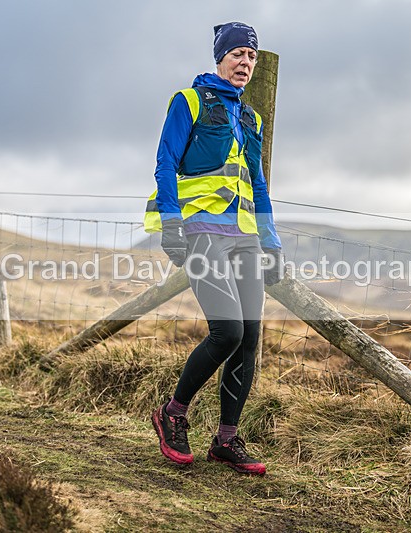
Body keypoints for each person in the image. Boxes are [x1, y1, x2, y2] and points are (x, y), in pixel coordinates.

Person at [144, 22, 283, 475]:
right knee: (227, 331)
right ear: (220, 57)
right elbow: (166, 162)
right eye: (238, 53)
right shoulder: (188, 101)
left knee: (249, 338)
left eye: (252, 56)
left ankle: (225, 440)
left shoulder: (251, 118)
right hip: (202, 231)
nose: (246, 62)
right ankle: (173, 413)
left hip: (244, 237)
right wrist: (171, 224)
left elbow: (257, 184)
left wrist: (271, 241)